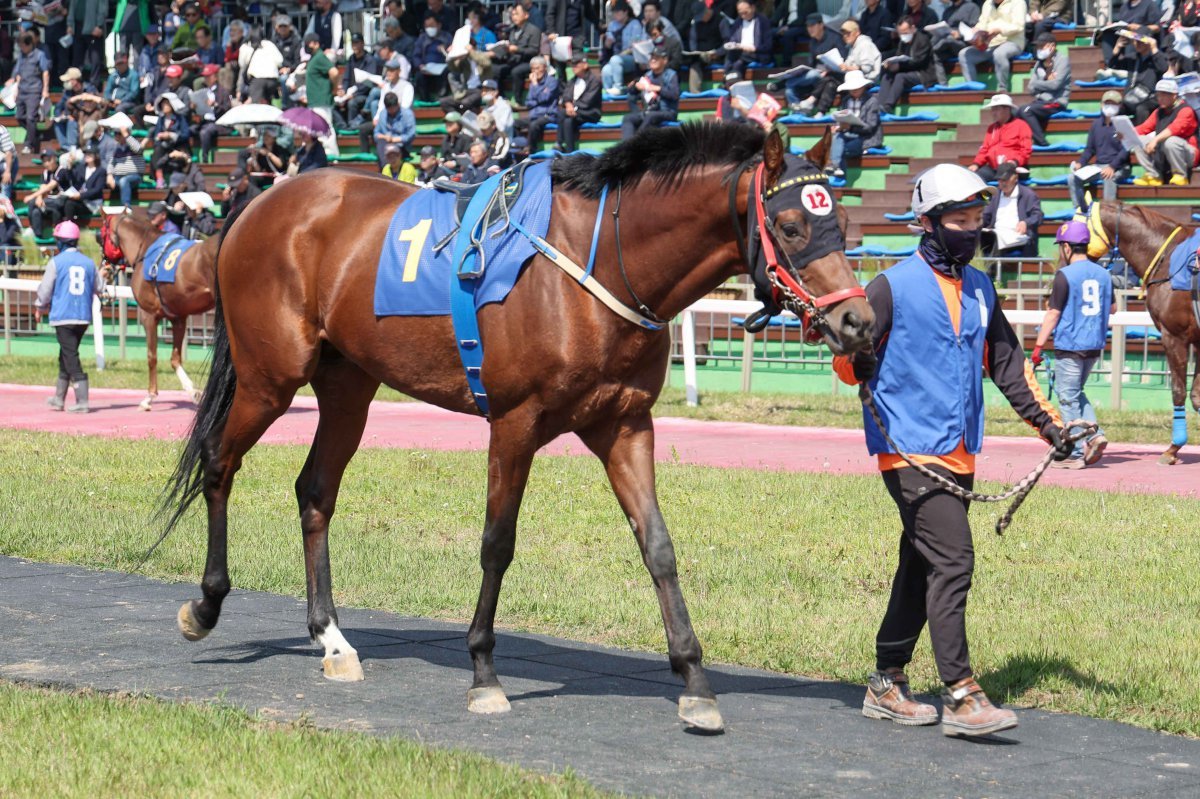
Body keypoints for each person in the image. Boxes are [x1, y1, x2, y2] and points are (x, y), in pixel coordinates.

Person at [833, 162, 1067, 739]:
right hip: (908, 448)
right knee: (954, 560)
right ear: (927, 222)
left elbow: (1009, 365)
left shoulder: (982, 287)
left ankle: (886, 682)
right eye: (960, 220)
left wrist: (1053, 426)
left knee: (921, 565)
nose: (972, 228)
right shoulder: (889, 285)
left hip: (959, 452)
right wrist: (856, 356)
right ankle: (962, 694)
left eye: (976, 219)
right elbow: (845, 360)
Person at [1032, 221, 1113, 469]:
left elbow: (1053, 314)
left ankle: (1075, 453)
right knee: (1075, 392)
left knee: (1067, 398)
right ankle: (1095, 435)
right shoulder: (1104, 274)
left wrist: (1038, 347)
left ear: (1066, 247)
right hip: (1094, 345)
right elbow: (1113, 309)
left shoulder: (1064, 275)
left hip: (1070, 345)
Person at [35, 220, 106, 414]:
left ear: (61, 242)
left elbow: (45, 290)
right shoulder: (89, 263)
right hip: (82, 317)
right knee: (65, 354)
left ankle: (82, 401)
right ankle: (58, 398)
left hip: (63, 317)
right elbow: (100, 288)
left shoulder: (56, 262)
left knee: (71, 356)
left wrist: (39, 307)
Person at [1067, 91, 1131, 210]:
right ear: (1101, 104)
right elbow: (1089, 149)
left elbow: (1126, 149)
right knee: (1072, 177)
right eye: (1107, 103)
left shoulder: (1124, 123)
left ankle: (1109, 210)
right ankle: (1080, 209)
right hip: (1099, 166)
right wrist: (1081, 162)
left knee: (1108, 177)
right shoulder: (1096, 125)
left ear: (1120, 106)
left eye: (1113, 103)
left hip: (1119, 167)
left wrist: (1112, 166)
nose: (1110, 106)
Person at [1133, 79, 1199, 186]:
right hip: (1165, 152)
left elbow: (1174, 128)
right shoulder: (1159, 112)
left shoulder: (1186, 110)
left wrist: (1155, 140)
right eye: (1159, 95)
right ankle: (1153, 175)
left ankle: (1180, 175)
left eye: (1165, 95)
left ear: (1174, 95)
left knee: (1171, 141)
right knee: (1139, 140)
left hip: (1188, 154)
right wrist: (1125, 132)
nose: (1160, 99)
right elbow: (1144, 128)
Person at [811, 20, 882, 115]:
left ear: (857, 32)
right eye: (843, 34)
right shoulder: (852, 46)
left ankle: (812, 99)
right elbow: (848, 65)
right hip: (853, 77)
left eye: (848, 33)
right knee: (830, 83)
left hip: (866, 80)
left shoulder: (865, 44)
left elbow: (866, 69)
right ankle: (820, 112)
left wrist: (847, 68)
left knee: (831, 77)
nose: (845, 36)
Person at [781, 14, 847, 113]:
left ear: (821, 25)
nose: (810, 29)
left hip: (831, 77)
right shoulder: (812, 42)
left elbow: (843, 61)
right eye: (808, 26)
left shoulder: (835, 38)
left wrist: (828, 69)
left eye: (812, 25)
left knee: (812, 74)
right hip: (816, 79)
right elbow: (811, 64)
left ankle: (783, 83)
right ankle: (801, 115)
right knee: (789, 90)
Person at [957, 0, 1026, 93]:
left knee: (999, 53)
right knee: (964, 54)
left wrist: (1000, 30)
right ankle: (972, 88)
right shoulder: (987, 3)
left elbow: (1019, 26)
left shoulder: (1018, 2)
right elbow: (982, 23)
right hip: (990, 43)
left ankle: (1002, 88)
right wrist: (976, 30)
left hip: (1011, 41)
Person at [1016, 33, 1070, 148]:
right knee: (1017, 112)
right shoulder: (1038, 63)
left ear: (1052, 46)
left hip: (1055, 102)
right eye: (1038, 47)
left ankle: (1042, 143)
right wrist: (1046, 79)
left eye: (1042, 46)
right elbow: (1030, 88)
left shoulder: (1062, 60)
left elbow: (1056, 85)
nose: (1038, 49)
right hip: (1040, 102)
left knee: (1026, 110)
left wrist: (1038, 84)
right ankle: (1024, 143)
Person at [1107, 27, 1170, 124]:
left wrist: (1154, 48)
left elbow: (1163, 68)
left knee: (1142, 109)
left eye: (1140, 41)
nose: (1137, 44)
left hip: (1151, 97)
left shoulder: (1157, 57)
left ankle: (1142, 136)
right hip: (1132, 96)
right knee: (1114, 108)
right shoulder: (1133, 57)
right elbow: (1113, 64)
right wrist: (1117, 48)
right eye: (1135, 41)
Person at [981, 160, 1042, 258]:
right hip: (996, 234)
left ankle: (991, 272)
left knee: (995, 243)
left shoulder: (1028, 195)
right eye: (1000, 180)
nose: (1002, 183)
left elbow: (1038, 216)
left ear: (1015, 178)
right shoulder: (995, 195)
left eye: (1005, 180)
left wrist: (1026, 223)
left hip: (1018, 236)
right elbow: (986, 215)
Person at [828, 71, 882, 179]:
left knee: (841, 149)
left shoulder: (872, 101)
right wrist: (838, 127)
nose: (854, 90)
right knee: (837, 137)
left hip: (865, 138)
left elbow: (870, 127)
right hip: (848, 135)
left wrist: (851, 127)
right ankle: (836, 166)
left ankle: (837, 169)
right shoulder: (845, 100)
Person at [878, 18, 936, 114]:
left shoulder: (923, 40)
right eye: (901, 33)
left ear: (912, 28)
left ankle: (888, 106)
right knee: (887, 76)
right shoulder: (902, 42)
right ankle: (879, 106)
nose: (903, 36)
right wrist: (891, 64)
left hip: (923, 73)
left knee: (900, 77)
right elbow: (899, 57)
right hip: (907, 70)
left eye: (905, 32)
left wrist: (899, 66)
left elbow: (919, 62)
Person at [969, 93, 1031, 181]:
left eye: (997, 109)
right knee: (975, 179)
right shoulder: (991, 128)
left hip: (1014, 167)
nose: (993, 112)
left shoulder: (1021, 126)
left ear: (1007, 109)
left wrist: (1014, 162)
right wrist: (976, 164)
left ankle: (1001, 194)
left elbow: (1026, 150)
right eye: (992, 109)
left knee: (1004, 176)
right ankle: (985, 195)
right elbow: (984, 149)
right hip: (993, 168)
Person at [621, 47, 680, 138]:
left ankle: (635, 143)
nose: (652, 60)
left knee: (651, 116)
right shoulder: (647, 76)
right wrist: (636, 87)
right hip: (649, 111)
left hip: (667, 111)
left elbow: (674, 95)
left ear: (664, 60)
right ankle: (626, 147)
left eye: (656, 58)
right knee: (628, 118)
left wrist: (658, 89)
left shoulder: (671, 75)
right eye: (651, 58)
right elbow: (632, 94)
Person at [9, 32, 50, 155]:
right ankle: (35, 134)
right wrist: (15, 87)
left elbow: (45, 72)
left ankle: (29, 145)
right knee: (19, 117)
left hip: (34, 90)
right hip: (22, 90)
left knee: (31, 118)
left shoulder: (39, 55)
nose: (21, 48)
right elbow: (18, 73)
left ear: (29, 44)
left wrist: (45, 89)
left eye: (23, 46)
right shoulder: (22, 56)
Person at [303, 33, 341, 157]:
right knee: (318, 130)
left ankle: (332, 156)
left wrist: (334, 89)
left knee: (325, 129)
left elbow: (334, 72)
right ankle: (325, 156)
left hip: (321, 100)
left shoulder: (319, 57)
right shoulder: (314, 58)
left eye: (309, 43)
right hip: (315, 101)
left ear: (316, 43)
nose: (307, 45)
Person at [494, 2, 542, 98]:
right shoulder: (512, 30)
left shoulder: (534, 30)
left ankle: (517, 99)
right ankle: (501, 96)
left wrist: (517, 49)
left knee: (516, 71)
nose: (514, 17)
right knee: (496, 70)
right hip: (513, 60)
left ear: (526, 15)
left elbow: (534, 50)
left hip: (528, 61)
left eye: (517, 14)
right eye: (513, 14)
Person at [558, 50, 603, 153]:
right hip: (574, 112)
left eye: (576, 64)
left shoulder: (594, 81)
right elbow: (566, 96)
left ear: (585, 65)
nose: (574, 67)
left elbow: (588, 102)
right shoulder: (572, 80)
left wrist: (572, 107)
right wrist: (568, 104)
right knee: (568, 120)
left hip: (590, 112)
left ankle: (559, 143)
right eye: (572, 64)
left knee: (563, 113)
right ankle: (570, 150)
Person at [930, 0, 980, 86]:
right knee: (935, 53)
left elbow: (975, 29)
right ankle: (943, 85)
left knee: (948, 40)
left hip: (964, 43)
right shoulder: (948, 11)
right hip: (947, 44)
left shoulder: (972, 7)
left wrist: (959, 34)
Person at [602, 1, 648, 95]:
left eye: (618, 12)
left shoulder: (635, 24)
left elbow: (635, 46)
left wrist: (621, 55)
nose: (616, 15)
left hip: (632, 58)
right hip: (615, 59)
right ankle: (609, 92)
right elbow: (608, 46)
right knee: (605, 70)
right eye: (614, 12)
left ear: (626, 12)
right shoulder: (612, 25)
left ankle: (618, 87)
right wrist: (607, 43)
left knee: (615, 59)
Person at [722, 0, 773, 82]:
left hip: (757, 53)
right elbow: (733, 39)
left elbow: (768, 45)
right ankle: (728, 81)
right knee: (732, 58)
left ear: (753, 8)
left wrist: (754, 48)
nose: (743, 15)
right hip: (740, 53)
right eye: (740, 13)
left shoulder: (763, 21)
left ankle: (727, 81)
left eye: (745, 12)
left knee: (736, 62)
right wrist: (733, 45)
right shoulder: (738, 22)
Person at [1097, 0, 1163, 64]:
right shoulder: (1124, 7)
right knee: (1107, 34)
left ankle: (1130, 65)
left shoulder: (1150, 4)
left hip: (1142, 37)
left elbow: (1157, 27)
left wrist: (1139, 27)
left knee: (1131, 35)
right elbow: (1122, 24)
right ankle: (1109, 64)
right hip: (1125, 34)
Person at [192, 63, 232, 162]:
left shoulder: (223, 92)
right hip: (204, 121)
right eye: (205, 77)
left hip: (219, 123)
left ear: (215, 77)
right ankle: (189, 155)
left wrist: (215, 105)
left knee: (205, 132)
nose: (206, 79)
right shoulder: (202, 91)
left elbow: (227, 109)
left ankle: (205, 159)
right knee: (190, 130)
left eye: (208, 76)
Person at [522, 57, 561, 153]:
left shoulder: (552, 81)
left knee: (534, 125)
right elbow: (528, 102)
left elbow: (545, 98)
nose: (535, 71)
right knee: (514, 123)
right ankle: (518, 146)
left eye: (537, 68)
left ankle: (531, 150)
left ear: (544, 67)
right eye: (532, 69)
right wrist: (537, 100)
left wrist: (535, 85)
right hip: (534, 114)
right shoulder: (533, 84)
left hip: (548, 114)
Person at [412, 13, 452, 102]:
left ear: (439, 25)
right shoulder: (422, 38)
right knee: (419, 76)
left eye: (431, 25)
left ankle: (442, 98)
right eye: (427, 26)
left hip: (443, 68)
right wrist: (420, 66)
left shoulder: (447, 37)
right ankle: (425, 100)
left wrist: (445, 50)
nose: (429, 28)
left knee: (448, 73)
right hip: (426, 69)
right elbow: (416, 55)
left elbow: (453, 53)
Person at [238, 29, 286, 103]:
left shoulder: (246, 46)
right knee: (268, 106)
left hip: (257, 80)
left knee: (257, 108)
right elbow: (280, 60)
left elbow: (241, 64)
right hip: (272, 80)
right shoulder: (269, 44)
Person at [373, 92, 417, 165]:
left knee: (391, 150)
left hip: (402, 145)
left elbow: (410, 135)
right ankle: (385, 169)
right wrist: (385, 137)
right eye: (388, 109)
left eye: (393, 108)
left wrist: (394, 139)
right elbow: (376, 133)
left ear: (397, 104)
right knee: (381, 143)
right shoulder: (383, 114)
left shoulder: (407, 114)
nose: (391, 111)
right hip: (386, 143)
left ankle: (386, 171)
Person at [105, 127, 145, 206]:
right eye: (116, 133)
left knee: (124, 181)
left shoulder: (133, 144)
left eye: (120, 133)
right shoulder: (116, 147)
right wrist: (109, 175)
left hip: (134, 176)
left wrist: (126, 135)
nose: (117, 136)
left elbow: (139, 149)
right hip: (118, 177)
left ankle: (126, 206)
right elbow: (111, 163)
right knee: (106, 181)